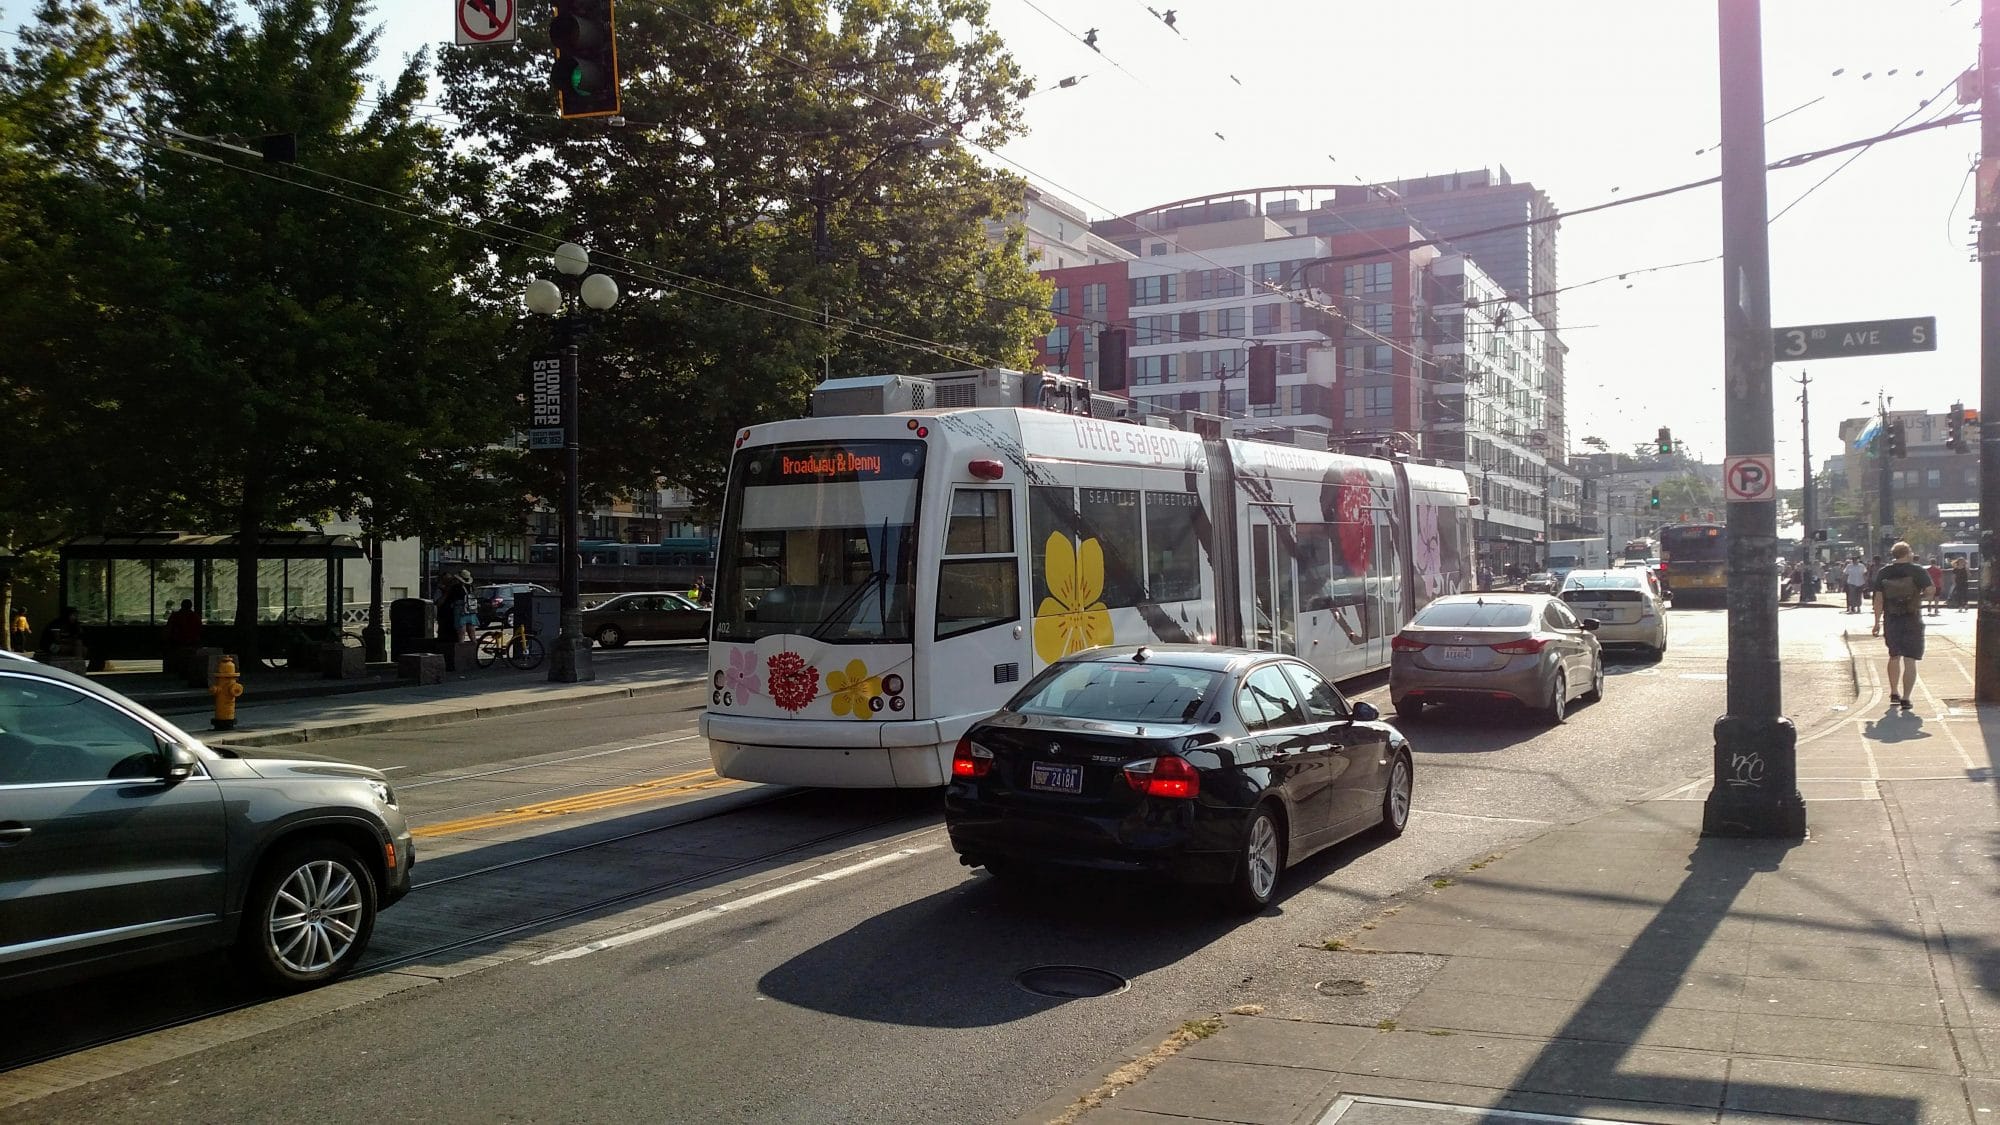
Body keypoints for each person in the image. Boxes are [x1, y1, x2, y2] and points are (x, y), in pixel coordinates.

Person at [1871, 541, 1932, 711]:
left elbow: (1878, 600)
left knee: (1894, 656)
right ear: (1907, 553)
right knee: (1910, 659)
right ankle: (1906, 698)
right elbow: (1931, 591)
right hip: (1912, 618)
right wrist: (1920, 597)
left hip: (1892, 619)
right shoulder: (1917, 571)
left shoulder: (1884, 572)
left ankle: (1893, 692)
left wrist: (1876, 622)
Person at [163, 599, 203, 673]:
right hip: (192, 643)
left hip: (177, 643)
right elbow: (199, 629)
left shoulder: (175, 616)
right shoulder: (195, 617)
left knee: (178, 662)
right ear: (191, 606)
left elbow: (169, 629)